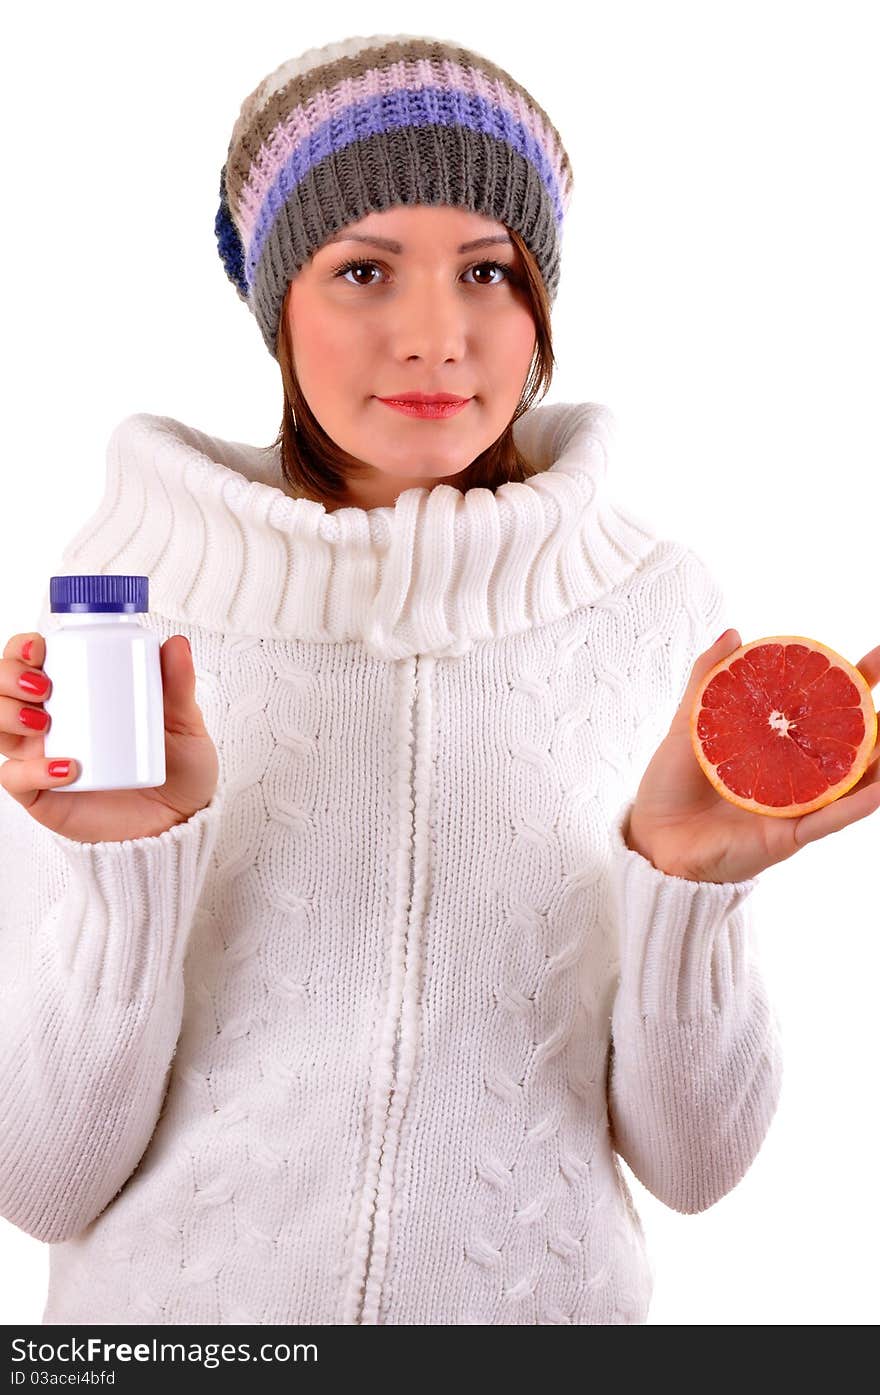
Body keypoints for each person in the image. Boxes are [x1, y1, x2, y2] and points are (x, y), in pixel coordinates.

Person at [0, 32, 877, 1328]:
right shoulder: (125, 612)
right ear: (277, 305)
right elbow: (42, 1183)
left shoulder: (654, 612)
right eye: (364, 270)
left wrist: (690, 894)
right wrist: (131, 877)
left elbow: (697, 1172)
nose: (437, 335)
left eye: (486, 270)